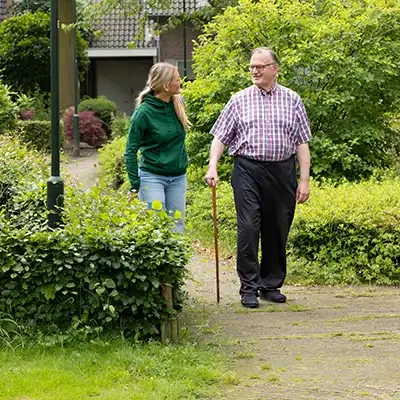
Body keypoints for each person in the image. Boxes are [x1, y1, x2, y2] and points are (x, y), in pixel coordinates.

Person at [205, 47, 311, 308]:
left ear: (275, 68)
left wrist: (304, 180)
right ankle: (248, 288)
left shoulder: (292, 99)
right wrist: (212, 166)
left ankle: (270, 285)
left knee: (277, 227)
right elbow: (220, 137)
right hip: (247, 169)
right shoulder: (239, 100)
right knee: (250, 227)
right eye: (252, 66)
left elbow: (302, 143)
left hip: (282, 171)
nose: (254, 70)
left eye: (260, 66)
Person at [124, 62, 190, 233]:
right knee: (157, 226)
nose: (180, 82)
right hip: (152, 177)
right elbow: (130, 151)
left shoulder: (178, 105)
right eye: (177, 79)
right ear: (166, 85)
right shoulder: (143, 113)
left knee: (177, 226)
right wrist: (134, 184)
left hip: (178, 177)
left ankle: (175, 261)